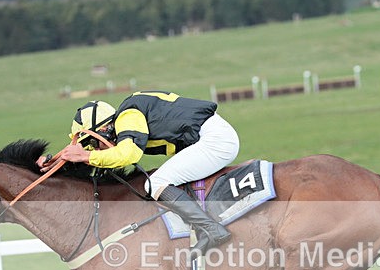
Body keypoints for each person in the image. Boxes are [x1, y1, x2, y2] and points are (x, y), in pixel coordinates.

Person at [41, 92, 240, 259]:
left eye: (93, 143)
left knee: (156, 183)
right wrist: (54, 165)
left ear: (103, 129)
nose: (95, 150)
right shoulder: (126, 120)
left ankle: (211, 229)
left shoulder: (128, 115)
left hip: (215, 140)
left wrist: (87, 156)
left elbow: (129, 154)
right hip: (210, 138)